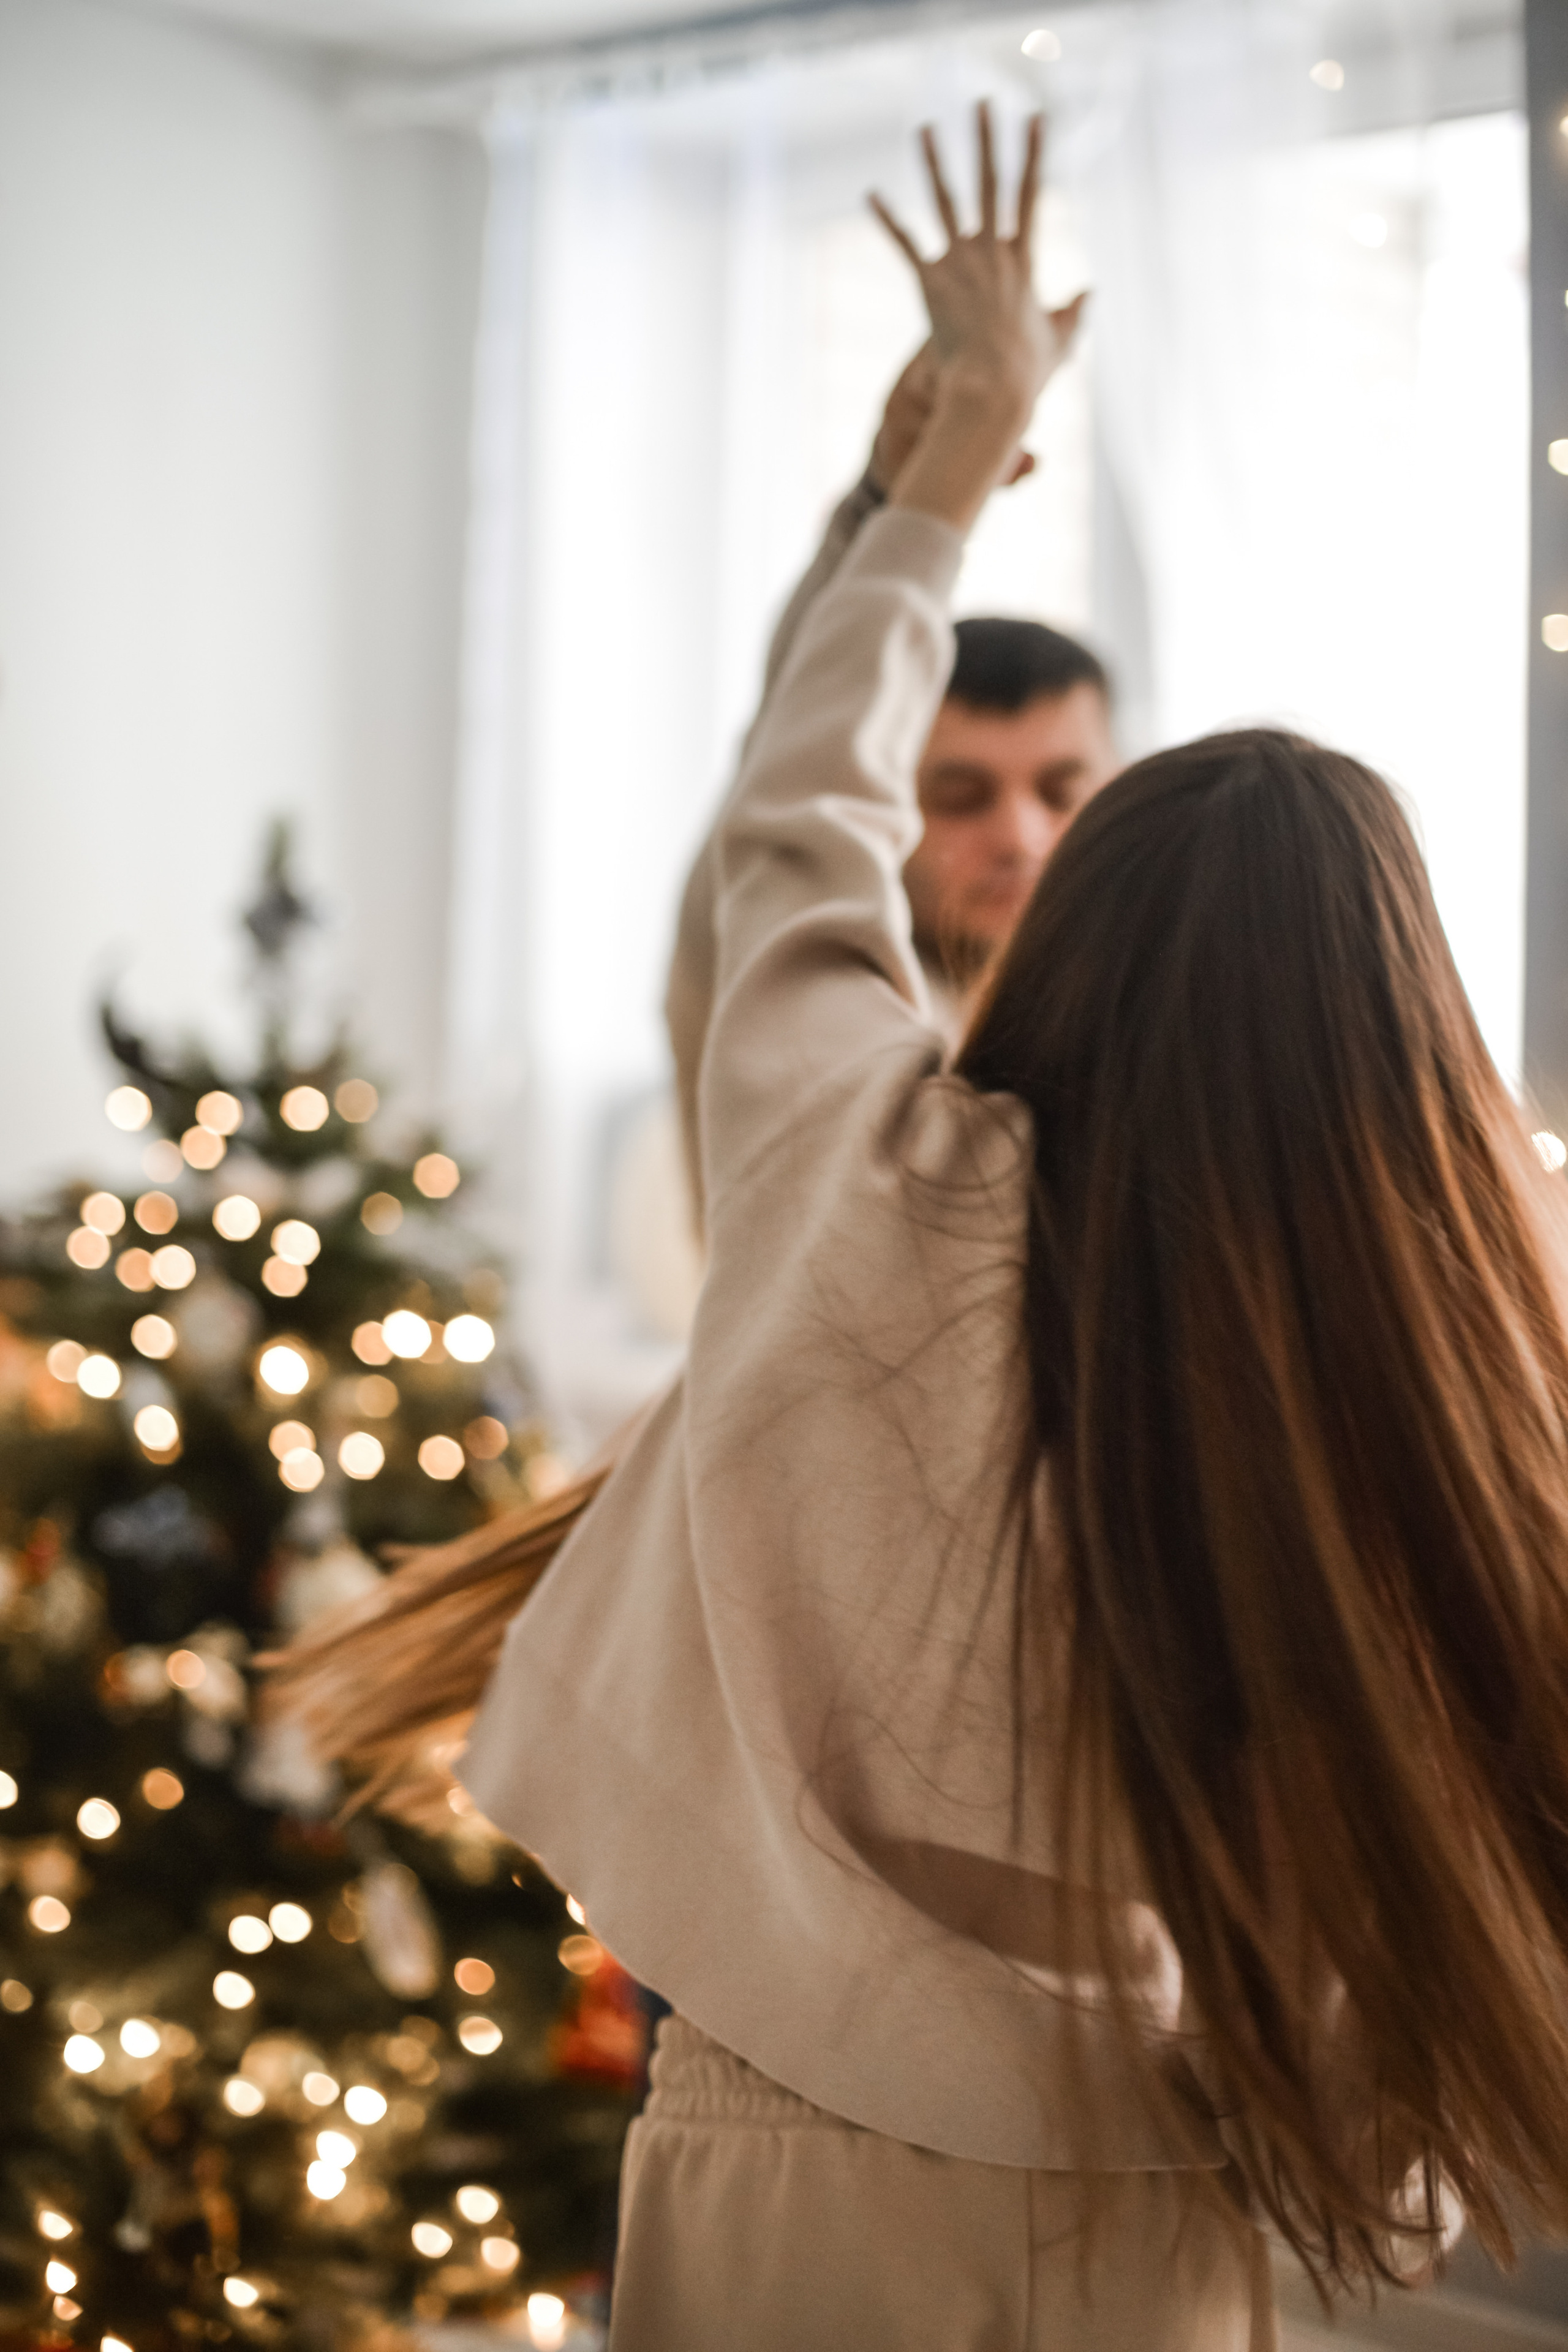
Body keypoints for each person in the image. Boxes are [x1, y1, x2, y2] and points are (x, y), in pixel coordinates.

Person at [458, 108, 1568, 2348]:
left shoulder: (856, 1168)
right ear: (1402, 1032)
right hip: (1198, 2167)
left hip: (799, 2146)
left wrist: (936, 479)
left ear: (1098, 917)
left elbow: (796, 827)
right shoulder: (1447, 1315)